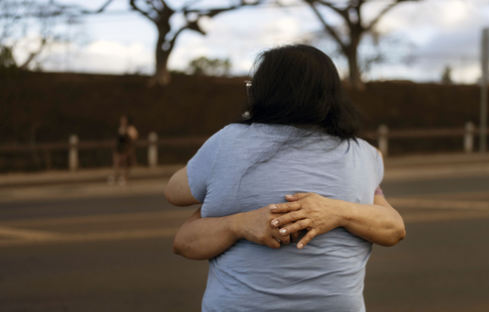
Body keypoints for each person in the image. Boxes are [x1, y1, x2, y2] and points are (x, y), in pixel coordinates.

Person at [165, 45, 405, 311]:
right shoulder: (364, 155)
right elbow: (394, 228)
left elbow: (175, 193)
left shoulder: (228, 143)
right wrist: (340, 210)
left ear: (263, 93)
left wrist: (230, 205)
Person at [109, 115, 138, 186]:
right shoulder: (120, 128)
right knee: (116, 163)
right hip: (119, 148)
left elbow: (134, 137)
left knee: (126, 164)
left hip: (126, 149)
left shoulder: (130, 129)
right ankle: (115, 177)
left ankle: (124, 178)